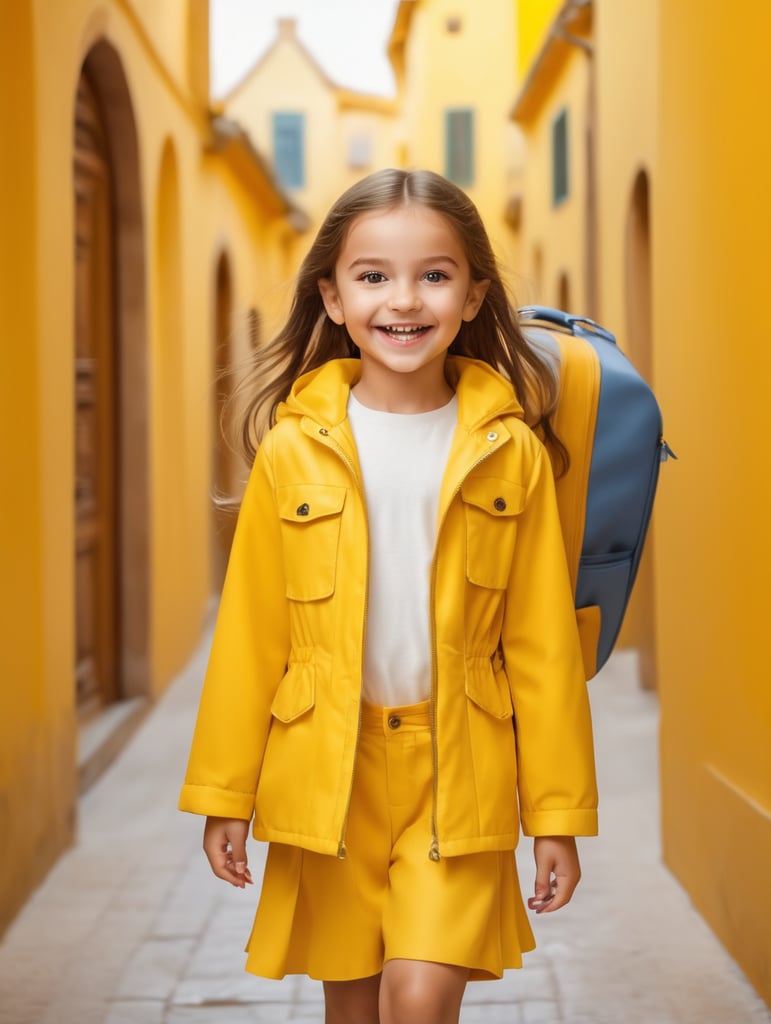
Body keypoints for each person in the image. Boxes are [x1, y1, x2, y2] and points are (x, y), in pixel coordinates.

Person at [179, 168, 598, 1024]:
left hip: (462, 768)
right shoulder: (290, 451)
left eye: (433, 275)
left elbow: (541, 646)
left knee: (418, 997)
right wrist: (224, 795)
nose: (403, 300)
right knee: (355, 1009)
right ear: (331, 297)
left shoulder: (510, 452)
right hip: (328, 772)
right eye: (372, 276)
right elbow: (251, 637)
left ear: (473, 295)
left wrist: (556, 813)